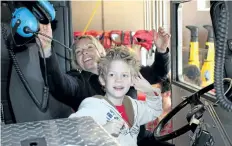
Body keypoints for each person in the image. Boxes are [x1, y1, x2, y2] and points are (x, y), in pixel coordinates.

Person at [38, 23, 171, 145]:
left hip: (139, 139)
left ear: (101, 51)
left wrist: (162, 50)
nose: (84, 52)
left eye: (89, 47)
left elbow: (158, 74)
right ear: (77, 62)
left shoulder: (124, 68)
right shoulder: (78, 82)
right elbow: (59, 84)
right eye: (78, 52)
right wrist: (46, 49)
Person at [69, 46, 163, 146]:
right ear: (102, 79)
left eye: (124, 75)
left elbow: (154, 111)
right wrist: (101, 132)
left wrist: (149, 91)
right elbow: (73, 133)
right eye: (112, 75)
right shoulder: (93, 105)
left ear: (132, 81)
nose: (119, 80)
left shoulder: (133, 105)